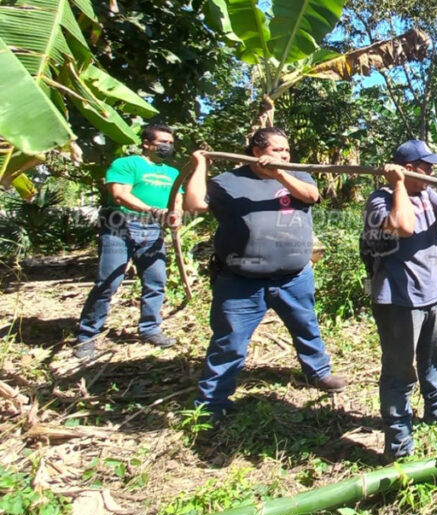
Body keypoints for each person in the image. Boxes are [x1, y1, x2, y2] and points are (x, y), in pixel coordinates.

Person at [183, 127, 345, 417]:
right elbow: (194, 205)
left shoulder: (297, 173)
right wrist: (200, 167)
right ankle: (211, 404)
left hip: (294, 277)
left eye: (286, 150)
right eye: (276, 150)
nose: (284, 155)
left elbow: (310, 196)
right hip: (240, 281)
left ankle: (318, 373)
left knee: (307, 328)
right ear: (256, 152)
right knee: (229, 341)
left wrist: (280, 173)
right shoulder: (227, 182)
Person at [360, 139, 437, 460]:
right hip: (397, 299)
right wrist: (397, 186)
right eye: (426, 167)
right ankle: (399, 442)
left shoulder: (425, 193)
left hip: (430, 293)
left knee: (435, 359)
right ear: (408, 169)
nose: (433, 171)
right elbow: (403, 227)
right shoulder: (379, 200)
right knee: (399, 372)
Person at [73, 124, 182, 360]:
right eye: (163, 142)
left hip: (152, 230)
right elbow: (120, 194)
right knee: (108, 282)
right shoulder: (127, 164)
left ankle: (150, 329)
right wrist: (153, 210)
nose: (167, 146)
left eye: (171, 143)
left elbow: (178, 199)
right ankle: (87, 336)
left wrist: (176, 215)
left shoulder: (173, 173)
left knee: (156, 281)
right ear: (146, 143)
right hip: (119, 225)